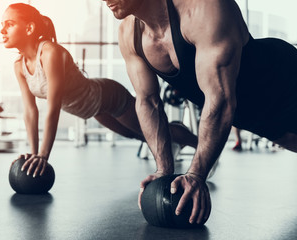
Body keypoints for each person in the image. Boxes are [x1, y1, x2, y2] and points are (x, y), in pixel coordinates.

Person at [103, 0, 297, 225]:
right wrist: (164, 171)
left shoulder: (204, 8)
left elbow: (220, 98)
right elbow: (148, 102)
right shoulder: (129, 34)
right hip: (254, 117)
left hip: (285, 84)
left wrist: (196, 175)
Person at [0, 4, 198, 178]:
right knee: (137, 135)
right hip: (93, 109)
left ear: (29, 27)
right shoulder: (19, 66)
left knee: (150, 132)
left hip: (107, 96)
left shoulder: (50, 52)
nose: (2, 30)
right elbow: (30, 111)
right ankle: (175, 141)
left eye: (9, 24)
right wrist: (34, 154)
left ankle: (198, 145)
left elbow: (53, 107)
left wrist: (43, 156)